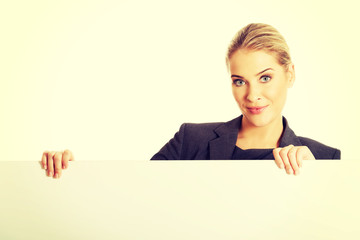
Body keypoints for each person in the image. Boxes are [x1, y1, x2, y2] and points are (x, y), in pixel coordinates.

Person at [41, 23, 340, 178]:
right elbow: (133, 197)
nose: (252, 95)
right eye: (239, 81)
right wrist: (71, 175)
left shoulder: (325, 159)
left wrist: (318, 182)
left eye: (265, 77)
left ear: (289, 75)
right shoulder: (190, 140)